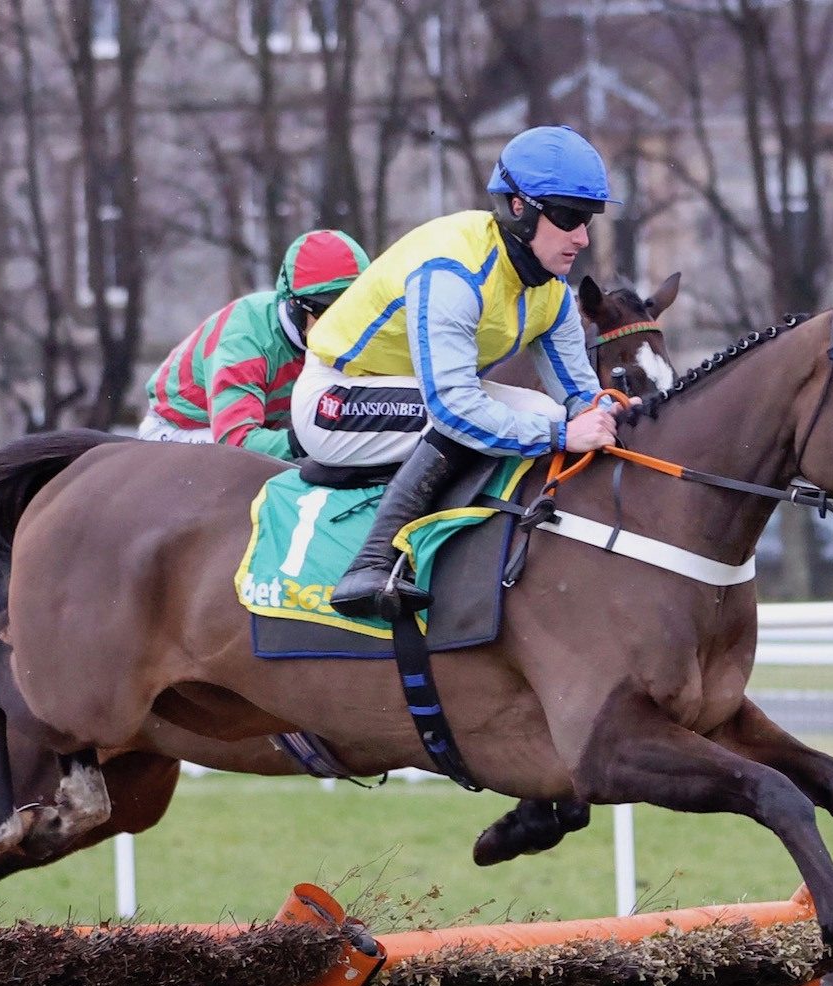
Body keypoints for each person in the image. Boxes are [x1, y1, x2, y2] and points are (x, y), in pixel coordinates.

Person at [296, 125, 625, 621]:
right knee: (484, 420)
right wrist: (563, 432)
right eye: (567, 216)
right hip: (337, 400)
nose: (581, 236)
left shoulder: (550, 289)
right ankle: (370, 565)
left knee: (542, 411)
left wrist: (611, 411)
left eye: (588, 220)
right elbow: (453, 409)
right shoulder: (453, 268)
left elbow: (578, 394)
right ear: (518, 207)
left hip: (410, 397)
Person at [138, 230, 370, 458]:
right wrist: (315, 441)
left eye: (350, 308)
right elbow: (237, 442)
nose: (340, 323)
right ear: (292, 303)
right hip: (183, 431)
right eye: (324, 309)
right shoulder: (244, 340)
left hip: (266, 425)